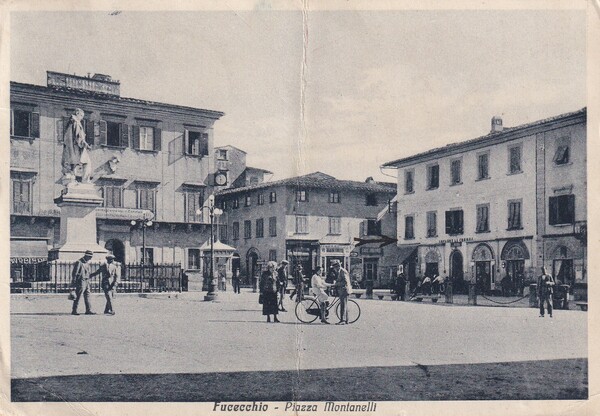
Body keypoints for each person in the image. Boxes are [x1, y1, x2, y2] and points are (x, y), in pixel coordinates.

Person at [62, 108, 92, 183]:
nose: (82, 118)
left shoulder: (70, 122)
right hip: (77, 148)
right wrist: (86, 145)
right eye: (81, 115)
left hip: (71, 148)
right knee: (87, 163)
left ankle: (72, 179)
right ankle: (85, 181)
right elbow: (78, 137)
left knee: (73, 164)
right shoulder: (76, 122)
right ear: (77, 113)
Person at [71, 250, 95, 315]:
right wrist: (74, 283)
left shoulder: (86, 263)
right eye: (90, 257)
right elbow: (75, 273)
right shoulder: (79, 262)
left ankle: (88, 310)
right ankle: (74, 310)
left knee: (87, 296)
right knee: (78, 296)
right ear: (86, 256)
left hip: (87, 281)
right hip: (81, 281)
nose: (91, 258)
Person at [332, 260, 353, 325]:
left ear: (337, 266)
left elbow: (345, 282)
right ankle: (346, 320)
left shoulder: (343, 271)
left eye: (334, 267)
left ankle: (343, 320)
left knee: (343, 305)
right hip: (342, 290)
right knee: (344, 305)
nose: (334, 269)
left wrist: (337, 284)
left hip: (344, 290)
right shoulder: (340, 271)